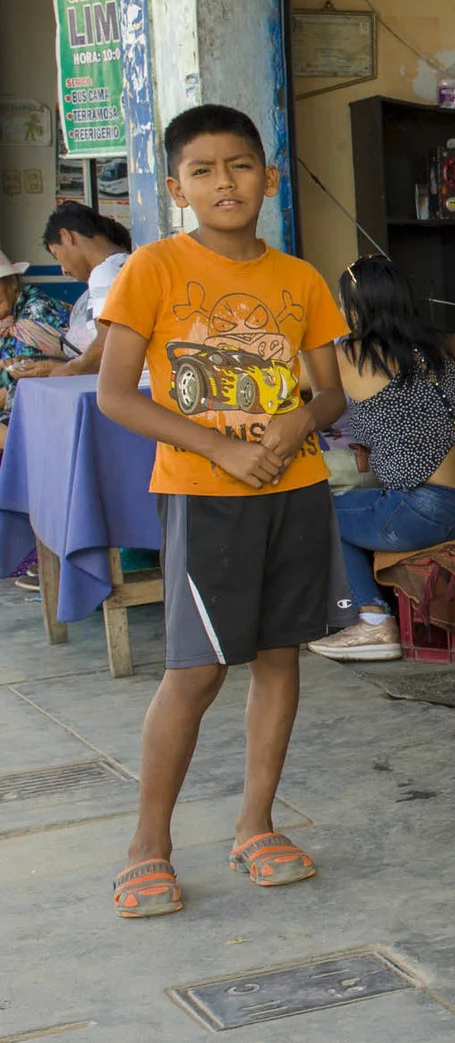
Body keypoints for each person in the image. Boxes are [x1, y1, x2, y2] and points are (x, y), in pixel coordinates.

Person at [94, 104, 354, 918]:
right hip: (206, 499)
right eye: (202, 170)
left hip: (296, 489)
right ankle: (148, 846)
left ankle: (256, 825)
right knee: (196, 670)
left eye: (239, 165)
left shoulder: (301, 279)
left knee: (281, 656)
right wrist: (222, 448)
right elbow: (114, 394)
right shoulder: (153, 270)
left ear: (268, 177)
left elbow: (330, 390)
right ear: (177, 188)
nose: (224, 182)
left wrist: (300, 420)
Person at [306, 255, 455, 662]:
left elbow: (293, 377)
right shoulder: (442, 347)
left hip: (423, 511)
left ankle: (373, 621)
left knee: (316, 511)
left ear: (355, 308)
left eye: (342, 303)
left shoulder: (350, 355)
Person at [4, 203, 131, 381]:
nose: (63, 269)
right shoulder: (128, 264)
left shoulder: (105, 273)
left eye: (57, 255)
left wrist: (62, 370)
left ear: (66, 236)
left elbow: (109, 344)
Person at [0, 258, 71, 428]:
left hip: (41, 408)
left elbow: (30, 372)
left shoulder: (37, 308)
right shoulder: (7, 315)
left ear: (11, 282)